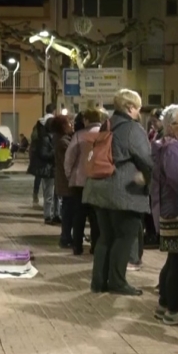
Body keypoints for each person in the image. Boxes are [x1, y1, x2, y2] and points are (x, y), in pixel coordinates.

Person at [83, 89, 153, 296]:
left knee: (105, 237)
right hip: (123, 191)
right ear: (130, 108)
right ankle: (117, 281)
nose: (139, 112)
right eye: (138, 108)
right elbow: (146, 160)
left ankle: (99, 281)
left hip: (99, 188)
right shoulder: (133, 129)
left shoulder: (106, 125)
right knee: (125, 237)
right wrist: (149, 178)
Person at [152, 105, 178, 326]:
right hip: (175, 211)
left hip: (169, 209)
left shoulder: (175, 146)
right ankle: (173, 309)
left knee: (174, 259)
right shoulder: (172, 149)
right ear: (170, 126)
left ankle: (164, 304)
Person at [65, 109, 105, 255]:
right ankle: (95, 246)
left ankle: (77, 246)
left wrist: (69, 175)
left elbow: (69, 158)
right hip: (99, 181)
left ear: (87, 120)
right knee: (96, 217)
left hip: (79, 181)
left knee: (79, 216)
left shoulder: (79, 135)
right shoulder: (106, 134)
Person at [28, 104, 56, 208]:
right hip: (49, 151)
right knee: (50, 179)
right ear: (54, 111)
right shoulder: (53, 122)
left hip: (38, 152)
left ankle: (35, 193)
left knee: (39, 175)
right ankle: (49, 204)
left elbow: (33, 136)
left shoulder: (39, 122)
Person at [53, 115, 74, 242]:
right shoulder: (63, 142)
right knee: (68, 210)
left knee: (68, 209)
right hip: (66, 181)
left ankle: (66, 236)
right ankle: (66, 237)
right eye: (68, 123)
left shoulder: (62, 139)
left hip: (65, 180)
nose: (71, 125)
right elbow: (69, 160)